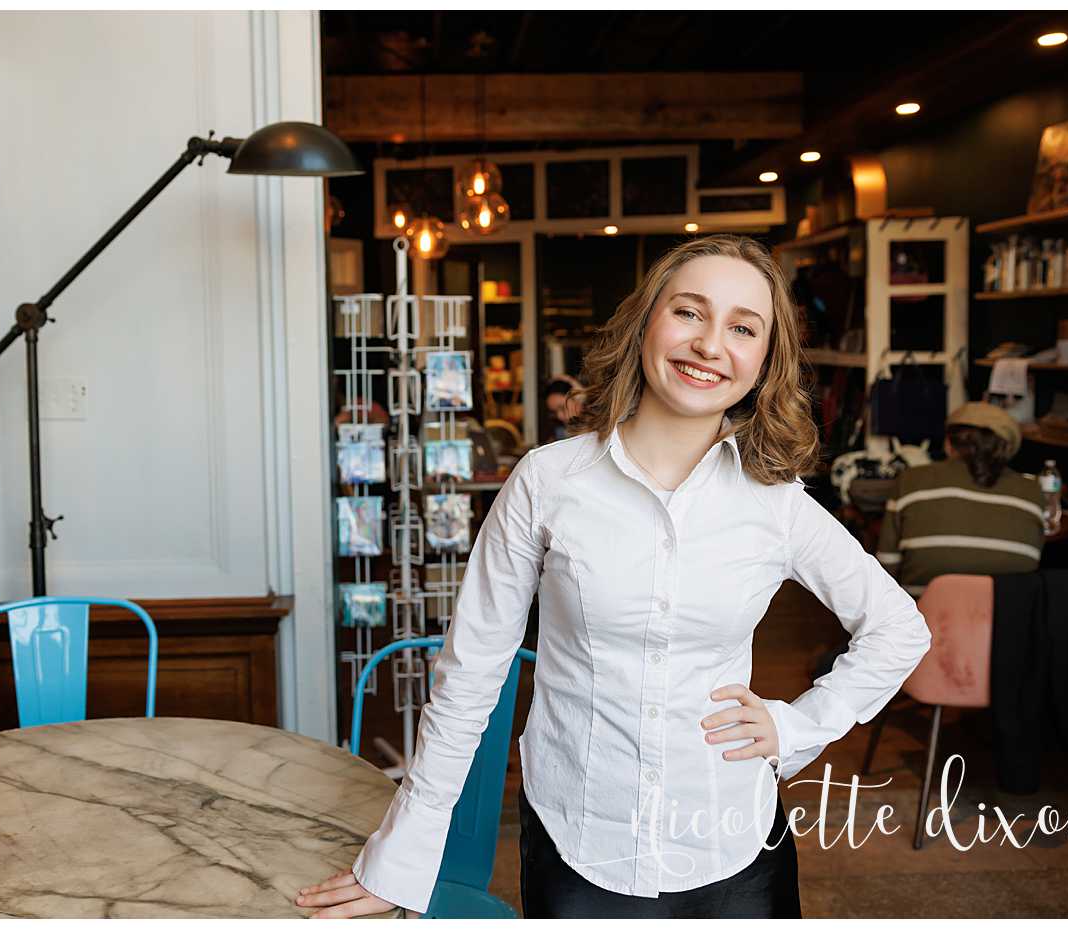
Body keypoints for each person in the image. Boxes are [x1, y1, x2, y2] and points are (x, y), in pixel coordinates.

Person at [295, 235, 929, 918]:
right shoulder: (547, 480)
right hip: (578, 839)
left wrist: (798, 725)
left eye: (743, 327)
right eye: (689, 312)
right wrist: (400, 857)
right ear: (646, 322)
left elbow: (898, 628)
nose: (711, 344)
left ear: (765, 361)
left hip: (733, 845)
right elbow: (471, 674)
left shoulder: (774, 501)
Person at [875, 402, 1045, 597]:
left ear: (948, 444)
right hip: (1007, 622)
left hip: (923, 620)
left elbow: (886, 568)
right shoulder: (1033, 491)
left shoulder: (910, 480)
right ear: (1007, 449)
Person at [544, 375, 585, 442]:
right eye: (554, 413)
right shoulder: (560, 431)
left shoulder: (599, 424)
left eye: (562, 408)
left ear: (577, 397)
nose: (559, 416)